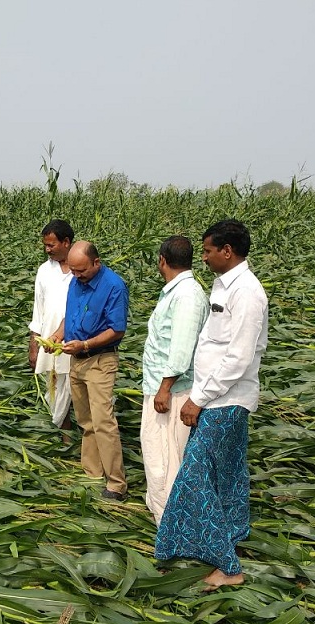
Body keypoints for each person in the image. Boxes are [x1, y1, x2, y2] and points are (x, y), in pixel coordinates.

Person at [154, 219, 268, 590]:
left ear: (227, 251)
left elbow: (238, 357)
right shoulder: (225, 286)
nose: (202, 258)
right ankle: (231, 536)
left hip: (225, 399)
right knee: (228, 474)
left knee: (195, 474)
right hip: (219, 398)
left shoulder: (247, 293)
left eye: (206, 251)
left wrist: (198, 399)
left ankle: (228, 566)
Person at [49, 241, 129, 500]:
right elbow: (69, 315)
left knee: (103, 422)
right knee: (86, 421)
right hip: (77, 360)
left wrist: (85, 344)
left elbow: (117, 329)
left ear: (96, 262)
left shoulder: (114, 286)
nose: (76, 275)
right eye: (73, 271)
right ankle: (92, 472)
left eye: (81, 270)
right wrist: (58, 335)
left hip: (99, 360)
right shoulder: (76, 282)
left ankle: (116, 484)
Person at [140, 236, 208, 525]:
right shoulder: (179, 291)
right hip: (164, 387)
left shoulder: (187, 296)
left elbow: (181, 349)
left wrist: (164, 389)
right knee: (159, 457)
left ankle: (170, 525)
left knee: (164, 460)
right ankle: (165, 517)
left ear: (162, 260)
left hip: (172, 391)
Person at [28, 219, 74, 432]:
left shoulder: (80, 268)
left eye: (51, 245)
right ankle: (62, 436)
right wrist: (33, 344)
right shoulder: (44, 271)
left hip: (75, 341)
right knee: (54, 387)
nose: (47, 250)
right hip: (49, 341)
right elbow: (38, 309)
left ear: (66, 242)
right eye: (45, 245)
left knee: (74, 389)